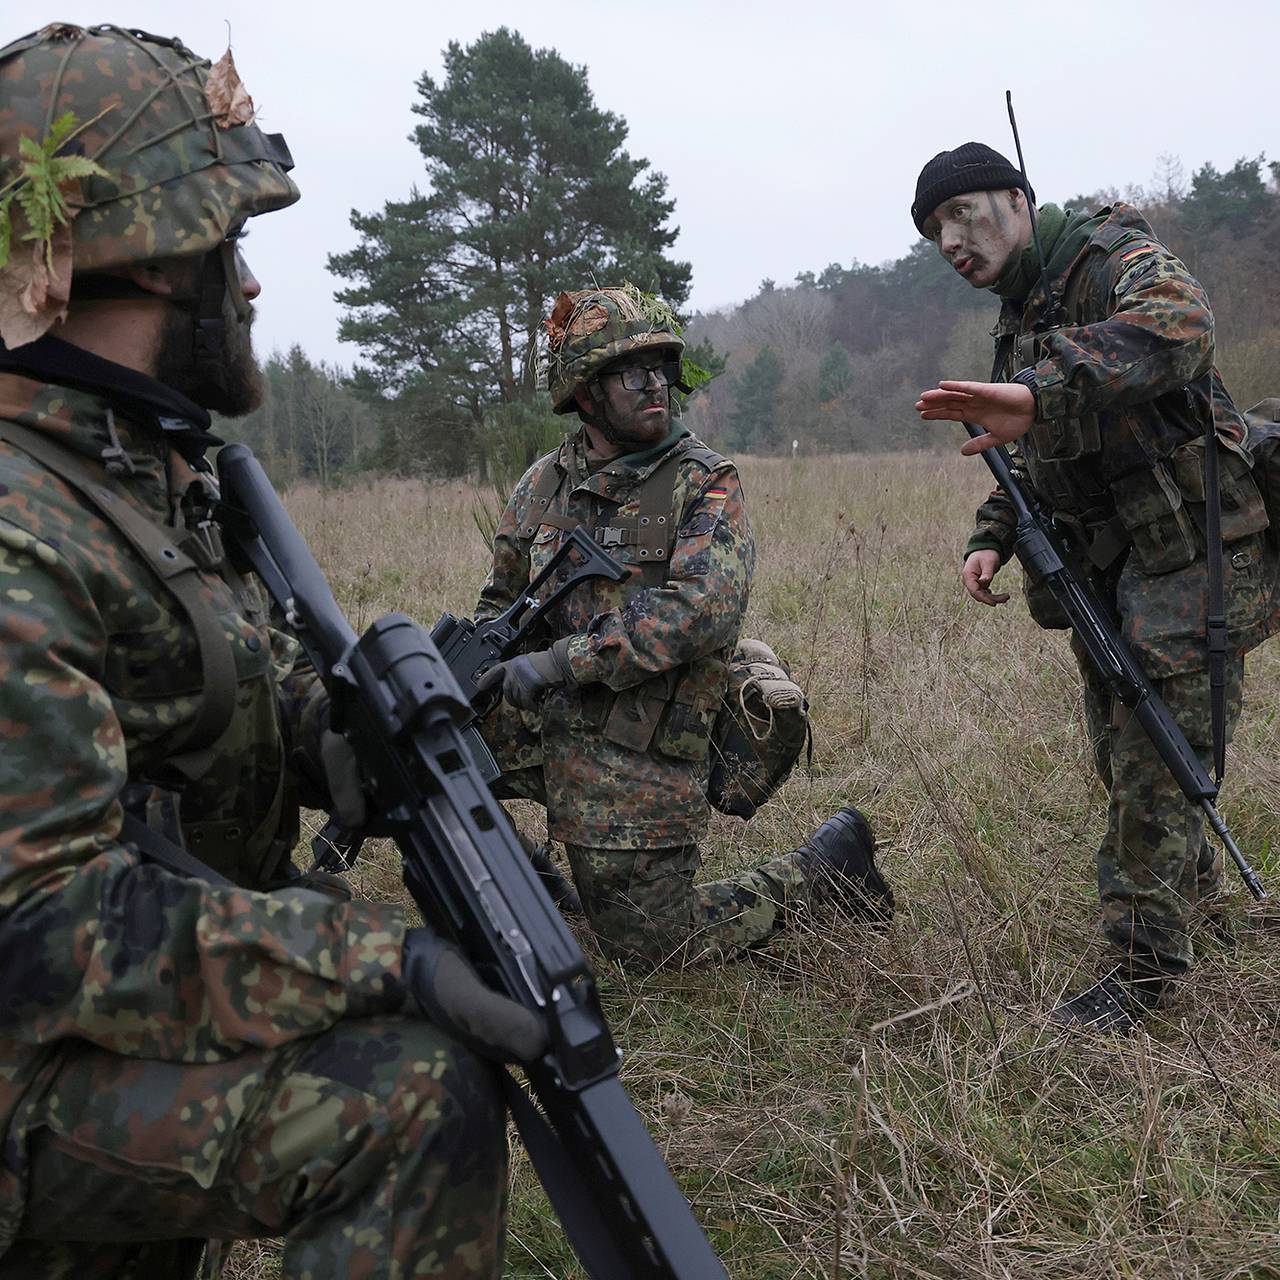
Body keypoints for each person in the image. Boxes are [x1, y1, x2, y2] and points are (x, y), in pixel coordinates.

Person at [0, 24, 537, 1278]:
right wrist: (379, 958)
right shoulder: (21, 521)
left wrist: (334, 731)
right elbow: (40, 926)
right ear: (153, 259)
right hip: (27, 1039)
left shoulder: (125, 468)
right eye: (227, 246)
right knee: (410, 1097)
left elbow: (186, 686)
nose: (246, 285)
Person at [911, 143, 1273, 1031]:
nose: (951, 240)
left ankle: (1144, 970)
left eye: (962, 214)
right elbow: (1036, 455)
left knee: (1153, 758)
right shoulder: (1020, 315)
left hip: (1194, 551)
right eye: (934, 233)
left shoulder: (1114, 259)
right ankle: (1199, 905)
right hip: (1116, 566)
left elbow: (1183, 327)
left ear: (1018, 199)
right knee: (1125, 750)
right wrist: (993, 535)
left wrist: (1040, 387)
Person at [474, 285, 894, 970]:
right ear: (586, 394)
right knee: (426, 760)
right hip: (544, 723)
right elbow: (499, 600)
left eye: (661, 367)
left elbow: (700, 612)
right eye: (629, 372)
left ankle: (824, 872)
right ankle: (538, 884)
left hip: (637, 738)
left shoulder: (703, 481)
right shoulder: (540, 485)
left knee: (649, 946)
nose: (654, 385)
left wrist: (560, 663)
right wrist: (482, 663)